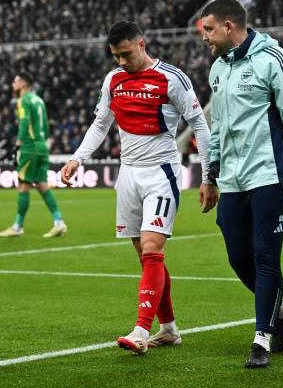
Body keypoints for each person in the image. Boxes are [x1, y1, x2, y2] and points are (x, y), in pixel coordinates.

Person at [60, 21, 217, 354]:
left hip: (162, 174)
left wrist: (208, 176)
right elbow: (100, 123)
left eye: (126, 54)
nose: (121, 62)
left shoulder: (171, 78)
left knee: (151, 248)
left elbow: (199, 126)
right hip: (128, 175)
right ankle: (169, 328)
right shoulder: (113, 80)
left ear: (141, 45)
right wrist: (77, 158)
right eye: (116, 56)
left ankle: (141, 331)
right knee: (146, 257)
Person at [200, 0, 283, 368]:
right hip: (232, 178)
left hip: (270, 173)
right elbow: (218, 126)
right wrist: (211, 171)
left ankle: (262, 340)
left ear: (228, 27)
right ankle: (282, 310)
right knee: (238, 257)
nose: (204, 37)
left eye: (208, 29)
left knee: (265, 255)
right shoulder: (218, 69)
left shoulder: (276, 59)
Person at [0, 72, 67, 238]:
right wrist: (42, 141)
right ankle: (59, 222)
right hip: (42, 146)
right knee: (42, 185)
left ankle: (17, 226)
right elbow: (46, 127)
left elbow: (24, 122)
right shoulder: (39, 100)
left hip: (29, 146)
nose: (13, 84)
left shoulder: (23, 100)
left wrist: (18, 144)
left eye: (15, 81)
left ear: (23, 83)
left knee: (23, 186)